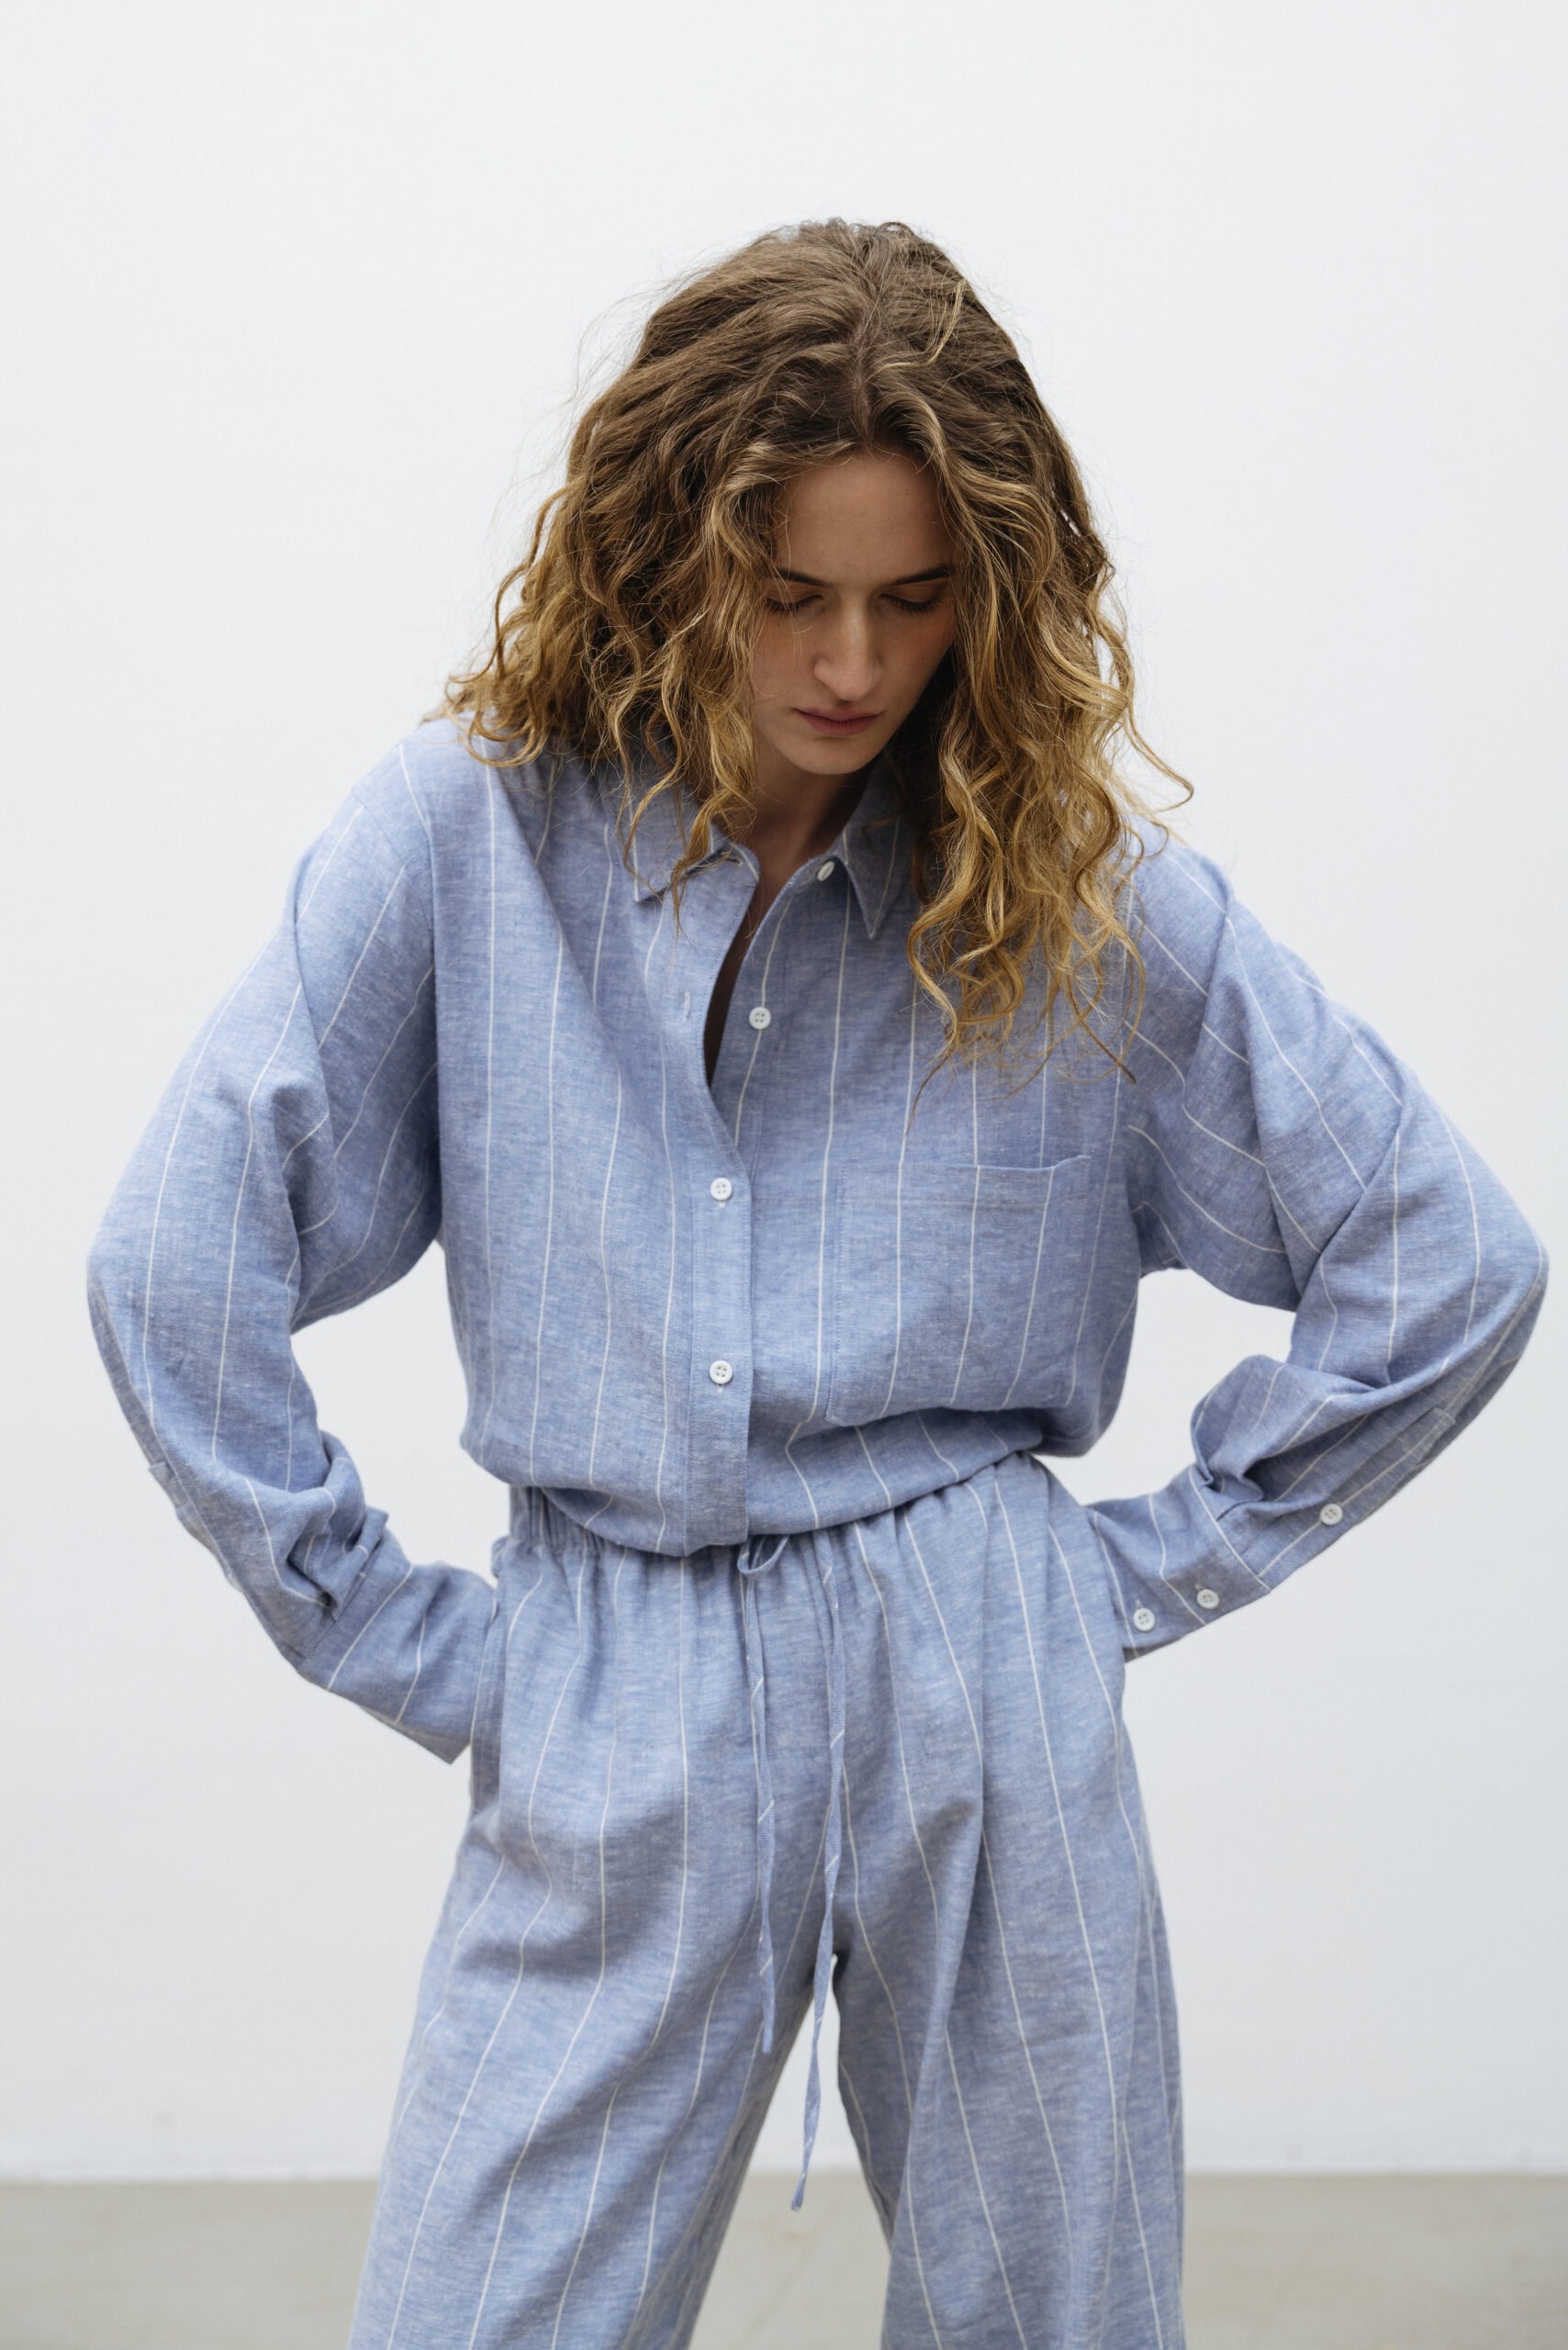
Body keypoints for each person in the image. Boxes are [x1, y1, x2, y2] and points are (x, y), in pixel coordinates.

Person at [86, 218, 1546, 2350]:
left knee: (1047, 2317)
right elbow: (169, 1263)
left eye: (913, 595)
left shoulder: (1070, 888)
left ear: (992, 592)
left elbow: (1445, 1253)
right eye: (788, 593)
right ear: (665, 558)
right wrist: (410, 1642)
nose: (851, 660)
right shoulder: (469, 839)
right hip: (617, 1673)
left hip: (981, 1667)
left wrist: (1123, 1577)